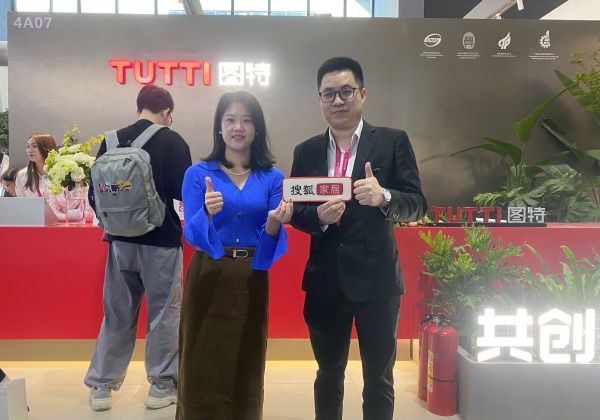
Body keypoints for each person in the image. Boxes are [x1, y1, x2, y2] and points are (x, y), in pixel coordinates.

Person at [290, 57, 428, 420]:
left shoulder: (392, 141)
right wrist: (317, 217)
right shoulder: (306, 151)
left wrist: (384, 197)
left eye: (346, 92)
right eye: (329, 94)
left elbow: (417, 205)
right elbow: (296, 211)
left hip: (377, 283)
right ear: (319, 99)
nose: (338, 100)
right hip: (324, 282)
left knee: (379, 379)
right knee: (327, 375)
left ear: (362, 94)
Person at [177, 91, 292, 419]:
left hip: (251, 276)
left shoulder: (273, 178)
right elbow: (192, 234)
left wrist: (274, 222)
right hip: (208, 272)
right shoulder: (198, 174)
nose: (237, 127)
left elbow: (270, 239)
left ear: (257, 129)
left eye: (246, 120)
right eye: (230, 119)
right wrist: (207, 213)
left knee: (247, 359)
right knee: (201, 359)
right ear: (219, 126)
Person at [84, 85, 192, 411]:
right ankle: (161, 386)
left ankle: (101, 386)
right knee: (163, 315)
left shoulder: (110, 141)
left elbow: (94, 195)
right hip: (161, 243)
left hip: (119, 244)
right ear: (167, 112)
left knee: (117, 315)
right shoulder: (173, 141)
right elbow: (184, 191)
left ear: (139, 107)